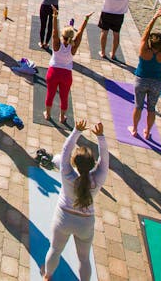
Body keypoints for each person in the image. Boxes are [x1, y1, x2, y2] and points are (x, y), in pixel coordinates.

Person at [42, 120, 109, 281]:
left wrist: (76, 131)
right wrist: (100, 137)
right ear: (93, 164)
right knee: (84, 259)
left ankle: (47, 277)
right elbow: (105, 160)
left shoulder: (67, 174)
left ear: (74, 163)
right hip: (85, 224)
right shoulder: (98, 179)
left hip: (62, 219)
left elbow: (65, 150)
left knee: (55, 249)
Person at [131, 7, 161, 139]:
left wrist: (154, 17)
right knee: (151, 109)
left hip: (141, 80)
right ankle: (148, 132)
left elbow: (146, 33)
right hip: (155, 82)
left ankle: (135, 129)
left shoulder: (144, 51)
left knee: (138, 106)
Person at [46, 10, 92, 124]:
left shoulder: (57, 44)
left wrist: (55, 16)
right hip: (66, 75)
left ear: (62, 36)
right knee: (64, 96)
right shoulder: (73, 47)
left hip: (53, 72)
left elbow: (54, 31)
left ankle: (47, 114)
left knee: (50, 94)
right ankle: (62, 117)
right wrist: (86, 19)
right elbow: (80, 33)